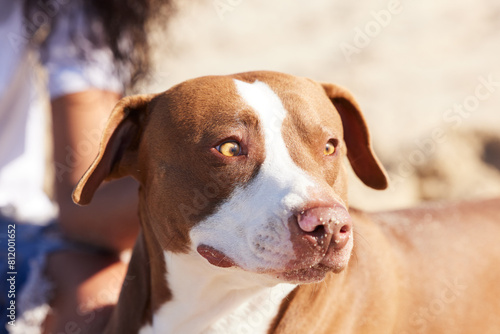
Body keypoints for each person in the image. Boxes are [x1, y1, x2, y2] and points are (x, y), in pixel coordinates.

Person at [0, 0, 173, 332]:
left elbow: (82, 199)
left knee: (105, 300)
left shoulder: (79, 8)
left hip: (9, 226)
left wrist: (190, 183)